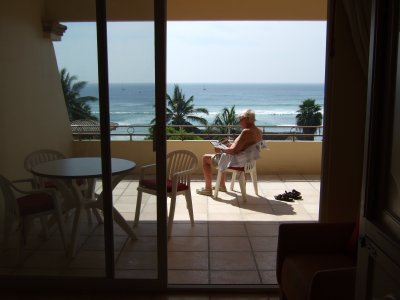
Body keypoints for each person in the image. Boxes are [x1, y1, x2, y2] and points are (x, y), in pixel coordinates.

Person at [197, 109, 264, 196]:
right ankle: (221, 185)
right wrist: (229, 144)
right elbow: (245, 146)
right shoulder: (258, 130)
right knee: (222, 154)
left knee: (206, 158)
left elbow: (234, 151)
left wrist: (221, 149)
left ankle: (207, 189)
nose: (239, 121)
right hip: (248, 161)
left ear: (247, 119)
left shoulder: (246, 131)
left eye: (241, 119)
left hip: (238, 162)